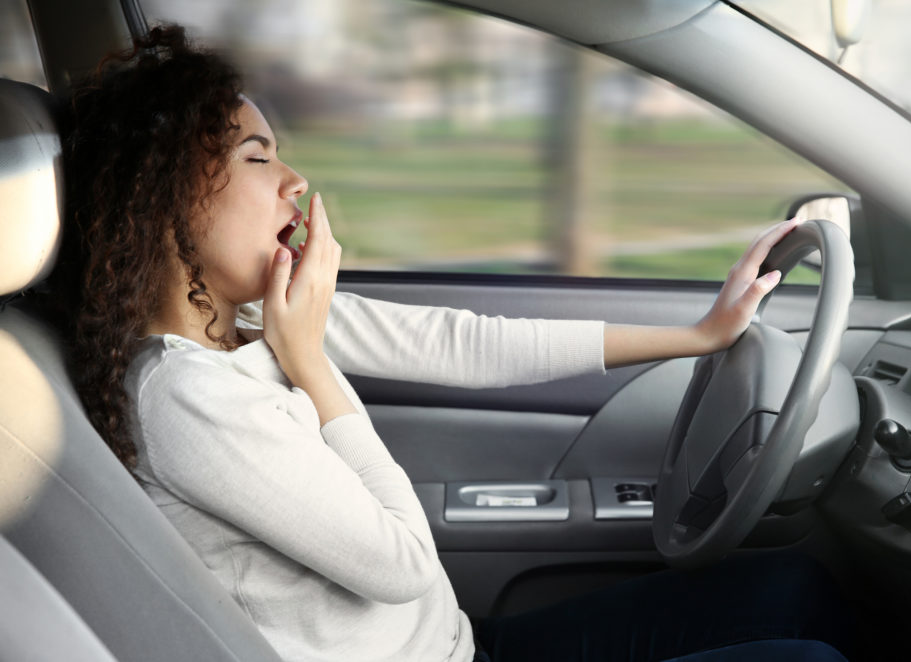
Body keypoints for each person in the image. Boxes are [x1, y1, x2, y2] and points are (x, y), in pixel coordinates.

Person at [52, 25, 852, 662]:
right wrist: (311, 365)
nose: (295, 180)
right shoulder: (186, 395)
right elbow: (400, 565)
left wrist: (697, 335)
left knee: (793, 584)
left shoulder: (254, 318)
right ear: (159, 199)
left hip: (463, 643)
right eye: (257, 156)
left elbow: (462, 343)